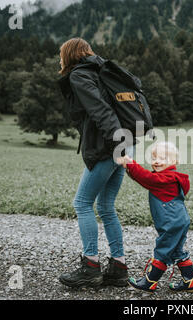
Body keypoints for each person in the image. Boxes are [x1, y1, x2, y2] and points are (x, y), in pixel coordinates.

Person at [57, 38, 134, 288]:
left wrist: (117, 145)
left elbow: (101, 110)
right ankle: (118, 267)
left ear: (68, 55)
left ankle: (91, 266)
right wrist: (123, 144)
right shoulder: (103, 69)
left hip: (109, 145)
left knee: (82, 203)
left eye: (61, 55)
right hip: (125, 141)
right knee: (106, 206)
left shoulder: (80, 75)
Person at [117, 142, 193, 293]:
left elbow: (147, 178)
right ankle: (189, 282)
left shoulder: (166, 179)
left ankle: (150, 282)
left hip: (171, 222)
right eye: (154, 157)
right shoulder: (173, 177)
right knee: (176, 251)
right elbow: (146, 178)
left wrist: (130, 164)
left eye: (163, 158)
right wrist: (129, 168)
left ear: (174, 162)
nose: (157, 161)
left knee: (163, 249)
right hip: (180, 220)